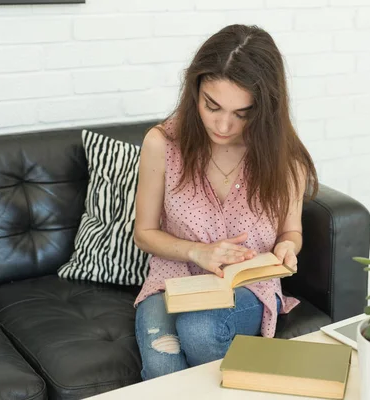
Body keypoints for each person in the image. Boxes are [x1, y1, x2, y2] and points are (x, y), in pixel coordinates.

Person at [132, 24, 319, 380]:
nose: (222, 125)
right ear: (195, 91)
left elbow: (291, 230)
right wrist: (196, 252)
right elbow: (144, 233)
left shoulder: (282, 157)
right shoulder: (162, 143)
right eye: (211, 106)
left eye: (242, 113)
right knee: (161, 361)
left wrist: (286, 246)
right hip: (173, 279)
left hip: (246, 285)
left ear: (264, 108)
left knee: (200, 330)